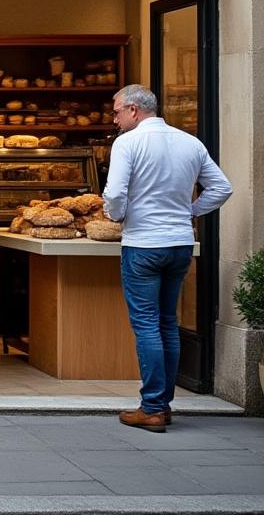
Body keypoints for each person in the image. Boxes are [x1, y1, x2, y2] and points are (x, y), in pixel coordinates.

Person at [103, 84, 231, 432]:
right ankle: (163, 404)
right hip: (179, 243)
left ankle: (152, 408)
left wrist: (116, 215)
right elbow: (222, 188)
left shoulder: (128, 143)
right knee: (166, 323)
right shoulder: (190, 142)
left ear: (133, 110)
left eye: (116, 112)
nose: (114, 119)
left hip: (143, 244)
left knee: (146, 324)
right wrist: (189, 212)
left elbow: (114, 193)